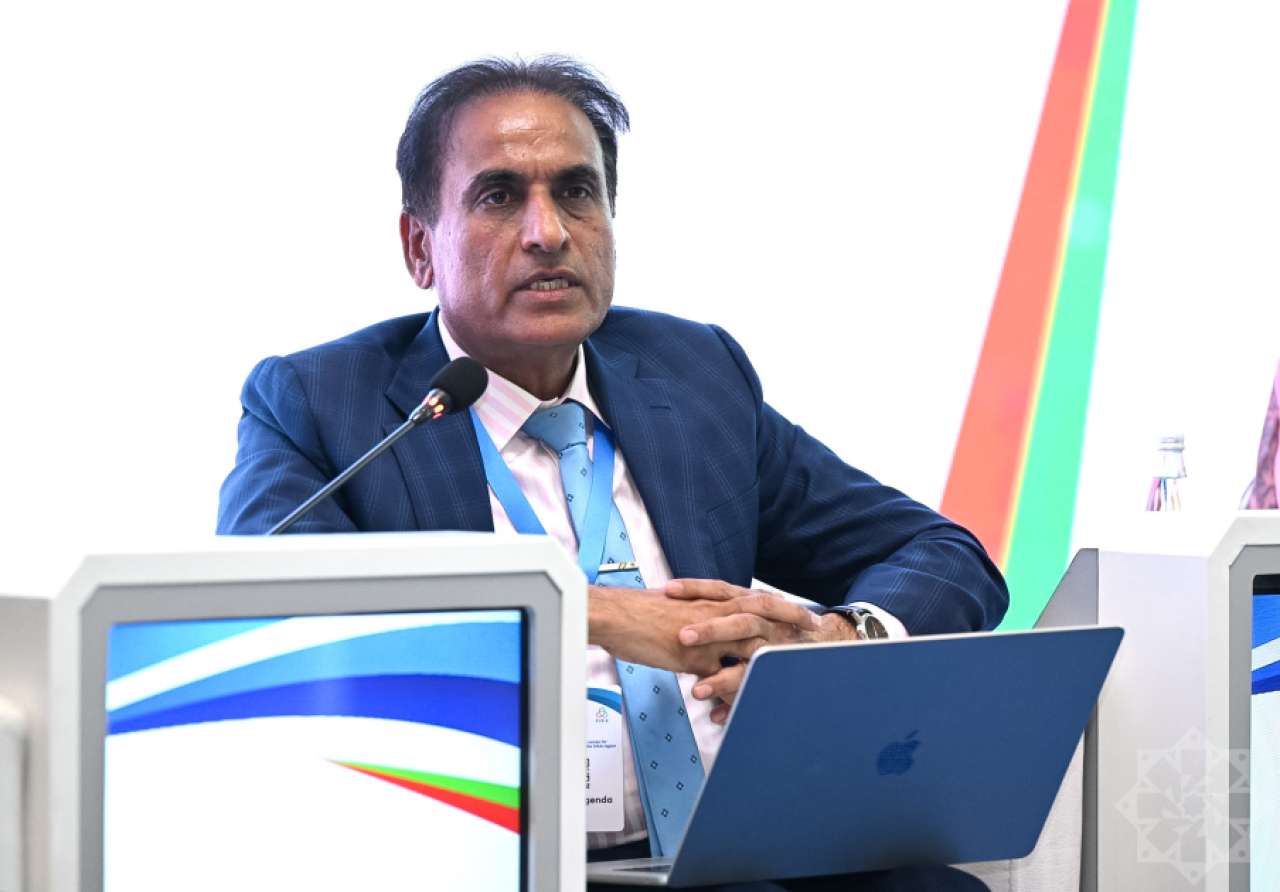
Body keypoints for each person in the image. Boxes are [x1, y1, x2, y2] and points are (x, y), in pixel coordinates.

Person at [217, 57, 1007, 891]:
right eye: (499, 197)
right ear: (421, 248)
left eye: (576, 192)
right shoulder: (322, 401)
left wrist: (834, 644)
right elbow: (271, 601)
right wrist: (588, 612)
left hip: (737, 848)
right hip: (496, 865)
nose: (547, 232)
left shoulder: (692, 375)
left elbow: (945, 556)